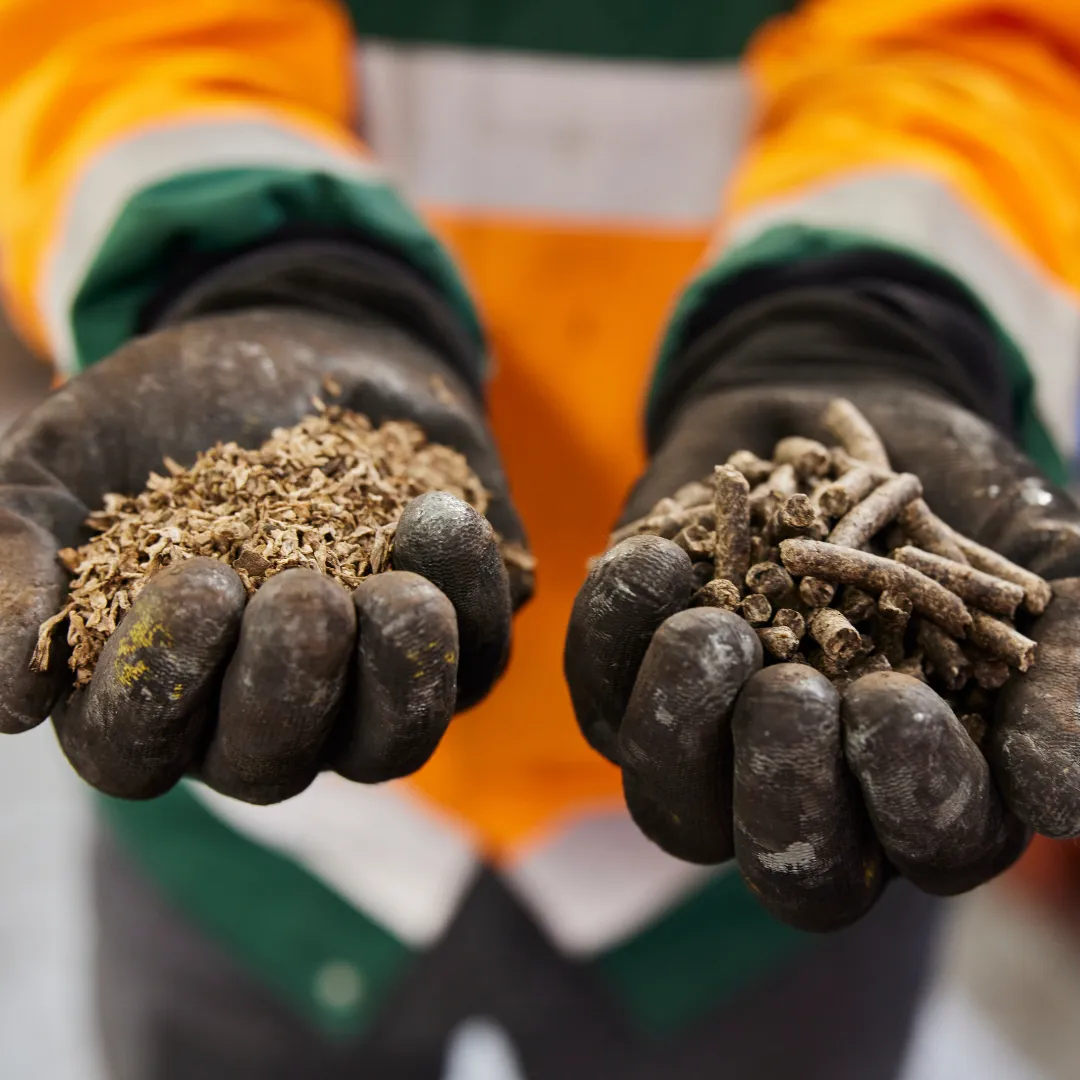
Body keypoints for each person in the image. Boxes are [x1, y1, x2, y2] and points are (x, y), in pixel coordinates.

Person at [2, 1, 1080, 1077]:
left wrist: (889, 314)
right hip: (251, 798)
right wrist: (233, 260)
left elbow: (1002, 43)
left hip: (775, 821)